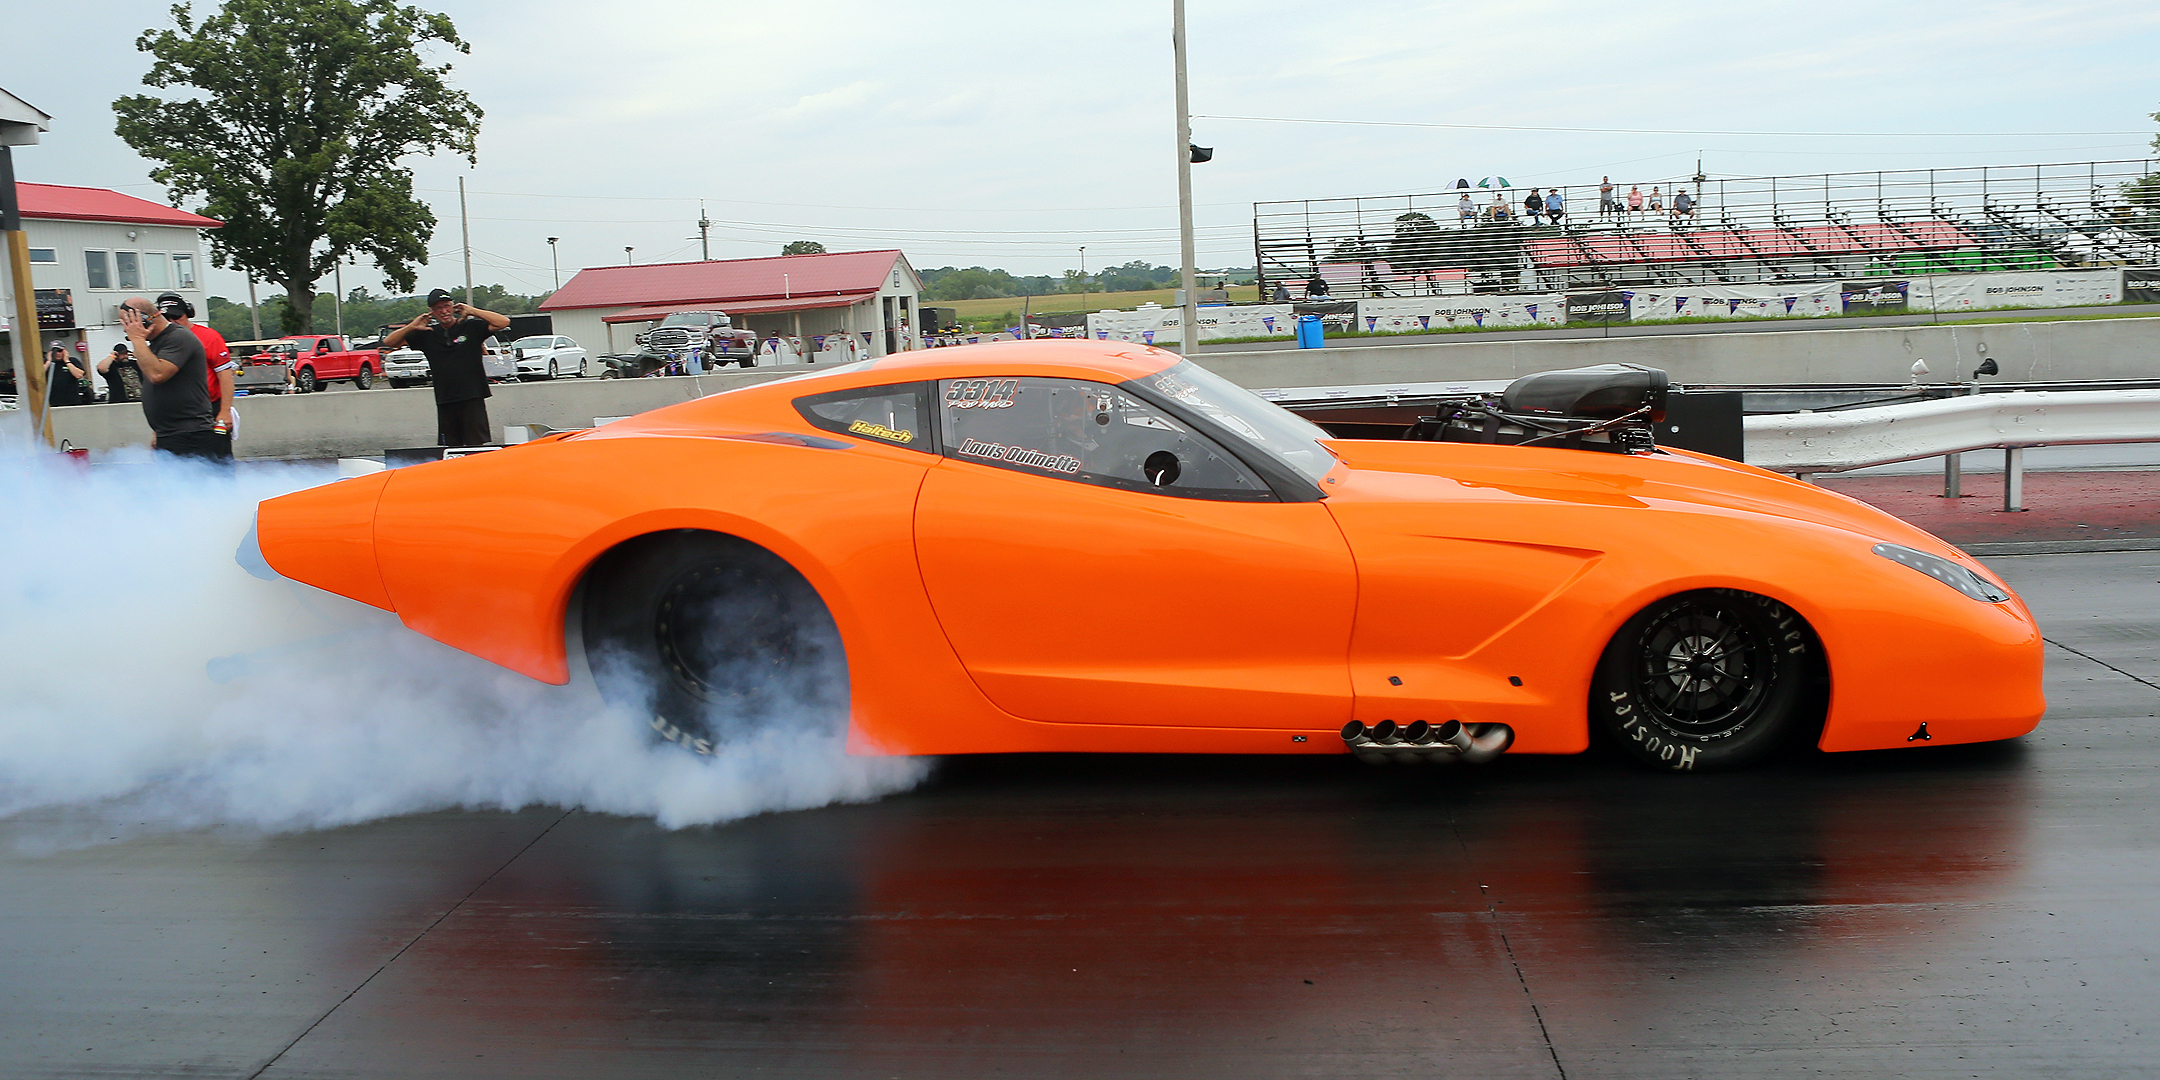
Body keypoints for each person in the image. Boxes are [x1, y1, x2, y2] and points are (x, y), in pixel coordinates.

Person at [382, 289, 511, 447]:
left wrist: (472, 311)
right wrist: (412, 326)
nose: (444, 311)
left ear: (453, 306)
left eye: (447, 306)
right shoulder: (426, 334)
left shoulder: (470, 327)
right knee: (451, 446)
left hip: (472, 395)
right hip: (445, 398)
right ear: (431, 311)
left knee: (475, 445)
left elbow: (503, 322)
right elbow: (390, 342)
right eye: (438, 308)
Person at [116, 296, 220, 461]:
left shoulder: (178, 337)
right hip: (169, 433)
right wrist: (157, 432)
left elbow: (157, 375)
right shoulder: (157, 343)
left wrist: (137, 339)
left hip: (190, 434)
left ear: (145, 319)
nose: (125, 330)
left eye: (128, 323)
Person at [159, 292, 235, 457]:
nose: (172, 321)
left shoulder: (209, 337)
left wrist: (225, 411)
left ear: (188, 314)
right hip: (175, 414)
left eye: (177, 317)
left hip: (209, 409)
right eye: (167, 318)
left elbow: (225, 376)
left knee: (218, 459)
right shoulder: (160, 341)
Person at [44, 342, 89, 406]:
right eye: (54, 351)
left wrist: (67, 361)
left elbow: (79, 375)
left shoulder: (73, 361)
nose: (57, 353)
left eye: (60, 351)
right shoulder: (45, 362)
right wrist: (48, 362)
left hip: (72, 400)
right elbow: (39, 375)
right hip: (52, 401)